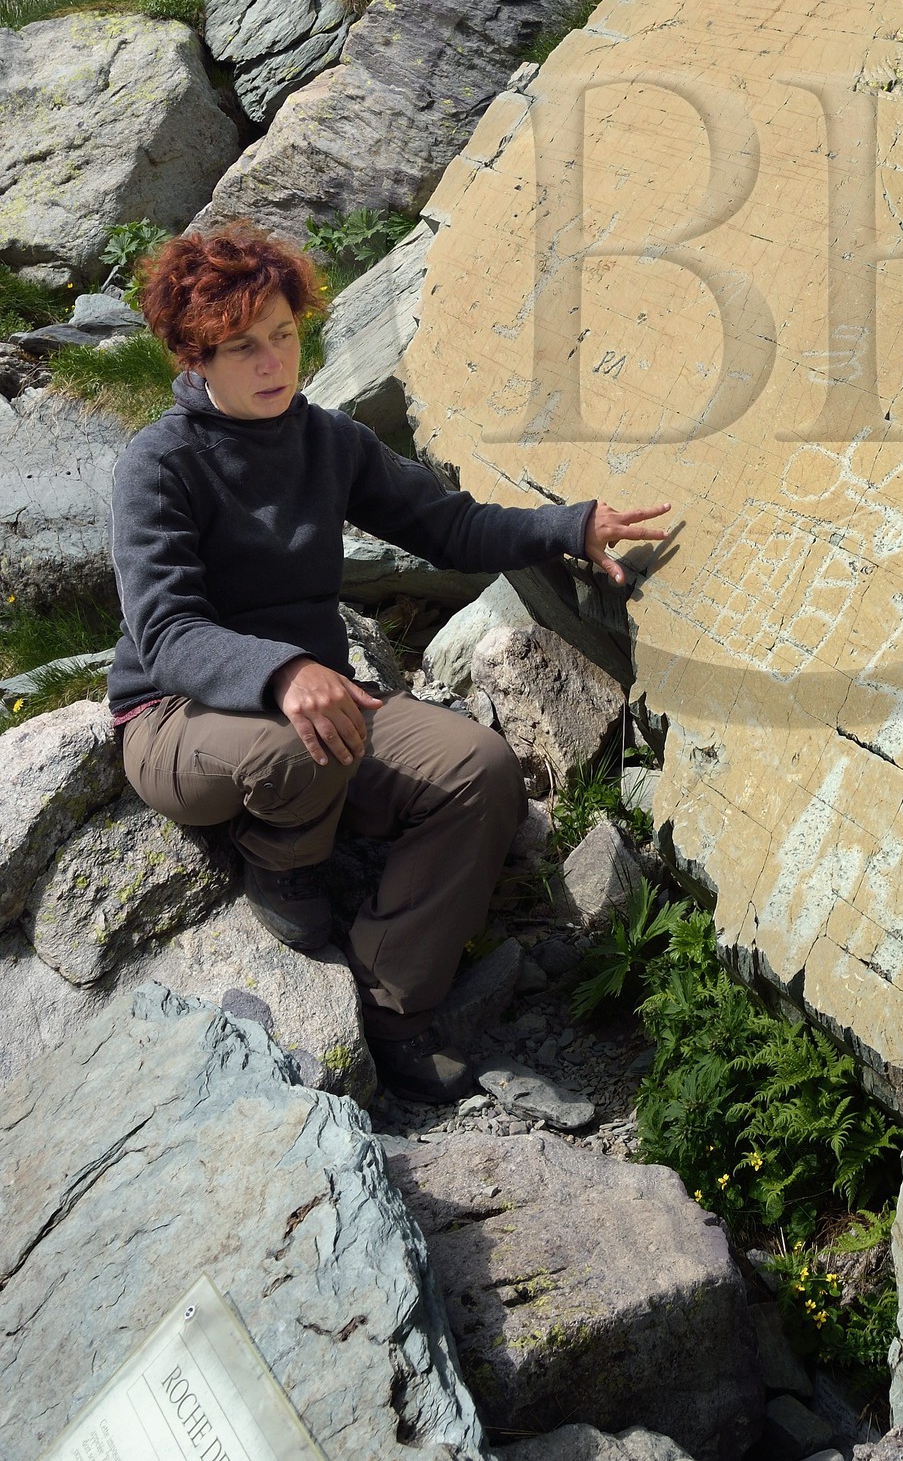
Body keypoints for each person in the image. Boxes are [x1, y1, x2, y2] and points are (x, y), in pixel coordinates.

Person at [108, 222, 668, 1102]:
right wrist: (287, 671)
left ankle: (396, 1010)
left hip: (319, 709)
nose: (271, 361)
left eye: (284, 335)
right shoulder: (160, 463)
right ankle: (280, 863)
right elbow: (168, 630)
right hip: (177, 719)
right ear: (195, 355)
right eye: (242, 345)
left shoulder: (328, 441)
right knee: (304, 742)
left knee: (478, 769)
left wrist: (569, 524)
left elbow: (447, 524)